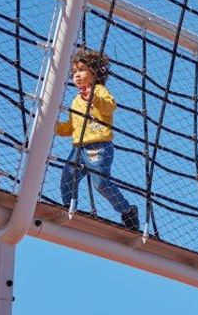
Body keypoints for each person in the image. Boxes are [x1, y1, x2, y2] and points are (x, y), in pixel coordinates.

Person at [55, 48, 140, 231]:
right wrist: (54, 126)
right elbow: (71, 127)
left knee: (101, 184)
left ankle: (127, 210)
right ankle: (69, 208)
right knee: (67, 178)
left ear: (94, 71)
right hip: (78, 148)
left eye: (82, 70)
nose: (77, 75)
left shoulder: (100, 91)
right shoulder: (75, 100)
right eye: (74, 72)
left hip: (99, 147)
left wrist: (94, 99)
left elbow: (110, 107)